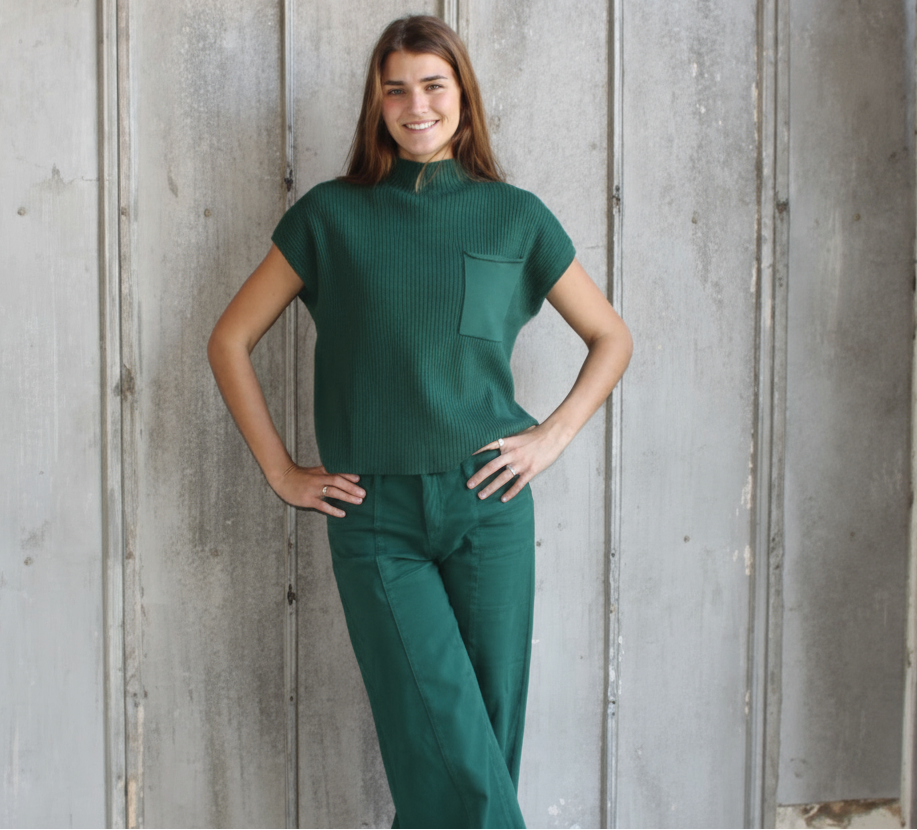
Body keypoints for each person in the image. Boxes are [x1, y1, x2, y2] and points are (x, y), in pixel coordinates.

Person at [208, 14, 632, 829]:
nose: (415, 104)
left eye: (433, 85)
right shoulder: (330, 217)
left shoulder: (515, 216)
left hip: (491, 506)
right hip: (376, 519)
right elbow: (228, 339)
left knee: (483, 750)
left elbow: (610, 336)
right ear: (376, 102)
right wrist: (280, 470)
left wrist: (552, 436)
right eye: (395, 88)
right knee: (450, 751)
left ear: (462, 98)